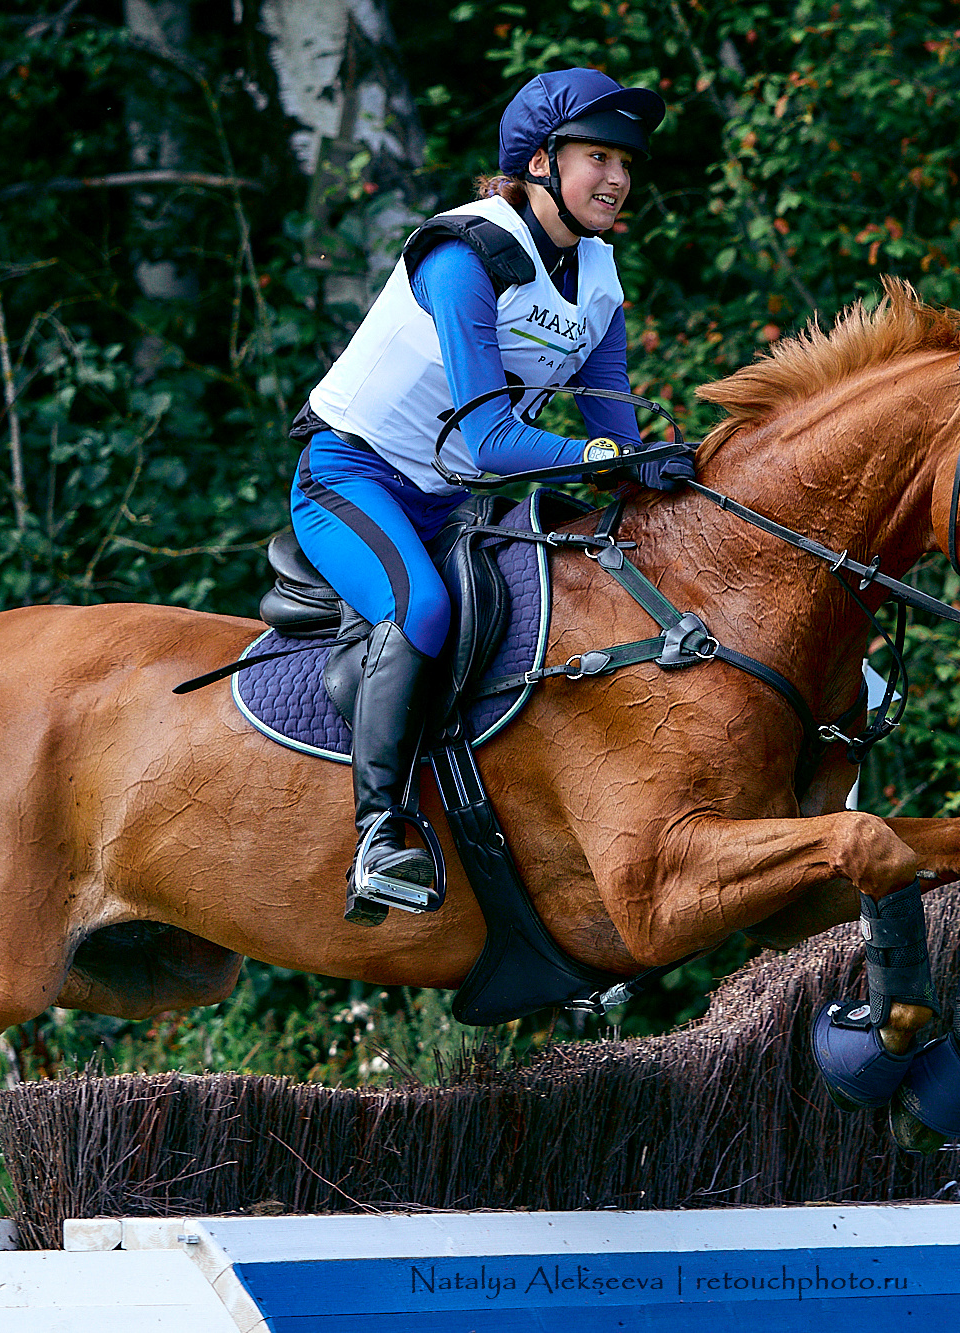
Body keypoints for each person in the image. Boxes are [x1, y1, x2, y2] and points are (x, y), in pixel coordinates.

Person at [287, 67, 693, 924]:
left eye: (625, 162)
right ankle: (380, 832)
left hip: (460, 502)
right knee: (423, 610)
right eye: (597, 158)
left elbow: (609, 421)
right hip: (352, 479)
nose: (617, 179)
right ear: (540, 162)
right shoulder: (465, 255)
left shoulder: (600, 282)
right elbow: (492, 441)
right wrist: (605, 450)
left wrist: (653, 460)